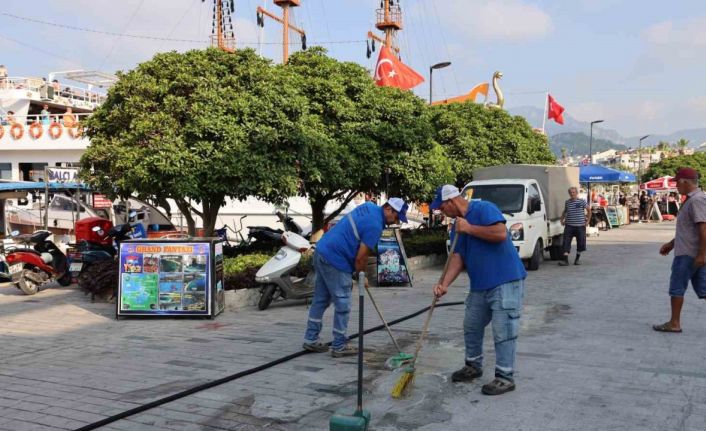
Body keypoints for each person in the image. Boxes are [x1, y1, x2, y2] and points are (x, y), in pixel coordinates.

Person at [431, 185, 526, 396]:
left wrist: (469, 228)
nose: (441, 211)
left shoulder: (484, 209)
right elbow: (458, 257)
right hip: (480, 285)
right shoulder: (458, 226)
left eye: (441, 207)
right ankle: (473, 365)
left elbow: (501, 233)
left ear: (450, 202)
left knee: (503, 330)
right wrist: (444, 284)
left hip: (505, 281)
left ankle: (505, 376)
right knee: (471, 325)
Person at [303, 197, 408, 357]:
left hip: (322, 250)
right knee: (343, 303)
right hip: (336, 259)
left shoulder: (369, 206)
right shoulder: (375, 226)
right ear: (388, 209)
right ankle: (339, 346)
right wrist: (362, 276)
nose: (395, 222)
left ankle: (310, 339)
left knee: (320, 299)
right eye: (396, 217)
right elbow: (361, 258)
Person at [653, 168, 706, 333]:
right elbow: (689, 229)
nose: (676, 185)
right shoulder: (692, 199)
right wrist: (671, 243)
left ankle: (674, 323)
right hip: (692, 252)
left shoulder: (697, 200)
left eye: (677, 182)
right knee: (704, 290)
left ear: (685, 181)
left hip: (688, 255)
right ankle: (674, 322)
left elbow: (703, 228)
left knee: (677, 288)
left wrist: (702, 253)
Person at [560, 187, 591, 266]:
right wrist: (562, 219)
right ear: (569, 193)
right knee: (566, 242)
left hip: (580, 226)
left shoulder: (582, 201)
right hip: (569, 226)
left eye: (573, 192)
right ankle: (565, 261)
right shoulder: (567, 202)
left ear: (577, 193)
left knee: (580, 243)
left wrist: (587, 221)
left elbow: (589, 210)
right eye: (570, 192)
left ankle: (577, 259)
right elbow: (565, 211)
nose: (572, 194)